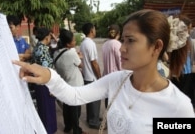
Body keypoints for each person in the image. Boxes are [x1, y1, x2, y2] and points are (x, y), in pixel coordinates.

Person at [12, 9, 195, 134]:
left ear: (156, 47)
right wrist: (49, 76)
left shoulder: (178, 107)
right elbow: (75, 96)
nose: (122, 48)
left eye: (130, 41)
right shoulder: (118, 80)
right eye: (122, 40)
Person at [53, 29, 86, 134]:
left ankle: (67, 127)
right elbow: (81, 65)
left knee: (67, 107)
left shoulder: (56, 53)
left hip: (65, 84)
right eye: (73, 41)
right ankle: (76, 130)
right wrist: (80, 57)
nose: (75, 42)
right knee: (76, 110)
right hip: (75, 85)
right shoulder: (71, 53)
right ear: (68, 43)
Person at [31, 27, 57, 134]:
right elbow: (48, 70)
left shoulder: (37, 47)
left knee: (43, 110)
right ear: (47, 37)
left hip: (38, 83)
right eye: (50, 37)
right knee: (48, 111)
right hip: (46, 84)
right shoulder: (44, 51)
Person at [80, 22, 101, 129]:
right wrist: (99, 76)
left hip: (86, 75)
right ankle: (94, 121)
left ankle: (91, 118)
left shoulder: (83, 43)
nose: (95, 31)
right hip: (92, 76)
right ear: (91, 31)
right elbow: (94, 62)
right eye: (94, 29)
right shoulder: (90, 44)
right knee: (95, 100)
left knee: (89, 99)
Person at [102, 24, 122, 108]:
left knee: (108, 100)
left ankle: (108, 119)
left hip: (107, 76)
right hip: (116, 78)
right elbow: (121, 63)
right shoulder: (117, 44)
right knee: (116, 102)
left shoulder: (105, 44)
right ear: (118, 33)